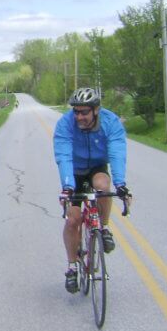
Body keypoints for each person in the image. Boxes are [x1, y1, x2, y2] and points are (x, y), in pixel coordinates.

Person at [53, 87, 130, 294]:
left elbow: (117, 151)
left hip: (97, 166)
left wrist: (121, 184)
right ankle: (71, 267)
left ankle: (103, 228)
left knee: (104, 186)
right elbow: (63, 155)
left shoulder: (110, 122)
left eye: (84, 112)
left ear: (96, 110)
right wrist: (68, 187)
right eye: (76, 112)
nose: (79, 116)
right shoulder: (65, 124)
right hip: (75, 172)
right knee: (73, 220)